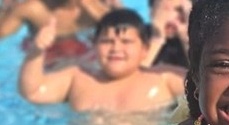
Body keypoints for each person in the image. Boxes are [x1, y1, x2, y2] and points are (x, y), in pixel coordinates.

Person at [19, 8, 185, 112]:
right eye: (107, 41)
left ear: (145, 49)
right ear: (94, 45)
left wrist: (187, 39)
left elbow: (205, 89)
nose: (116, 48)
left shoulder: (162, 80)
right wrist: (36, 51)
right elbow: (33, 92)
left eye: (126, 42)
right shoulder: (78, 77)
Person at [144, 0, 196, 68]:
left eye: (179, 10)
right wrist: (157, 39)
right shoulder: (137, 37)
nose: (171, 19)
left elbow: (206, 79)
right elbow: (129, 81)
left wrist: (187, 39)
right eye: (164, 10)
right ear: (151, 11)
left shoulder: (205, 41)